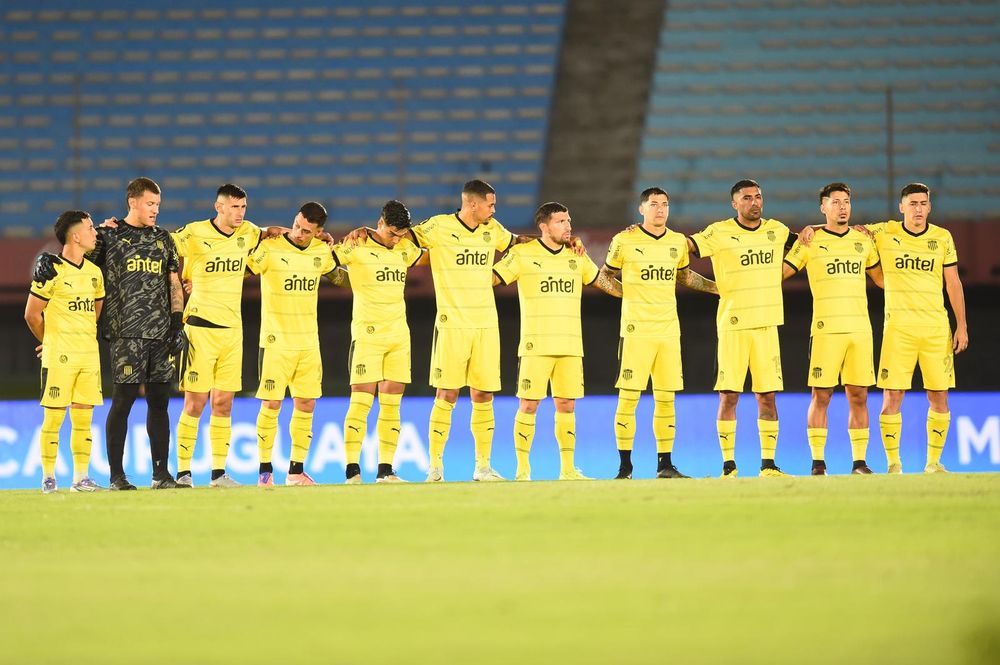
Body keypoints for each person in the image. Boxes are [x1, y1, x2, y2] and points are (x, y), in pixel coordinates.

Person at [343, 179, 582, 482]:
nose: (494, 210)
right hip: (451, 324)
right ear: (472, 203)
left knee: (484, 395)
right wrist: (366, 231)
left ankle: (482, 466)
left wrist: (560, 239)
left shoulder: (492, 230)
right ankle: (435, 466)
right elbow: (399, 235)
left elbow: (518, 241)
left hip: (486, 325)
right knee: (447, 393)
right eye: (490, 204)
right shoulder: (439, 227)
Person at [33, 177, 187, 490]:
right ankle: (117, 476)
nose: (155, 210)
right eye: (150, 203)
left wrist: (177, 321)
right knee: (124, 399)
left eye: (158, 204)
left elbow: (173, 281)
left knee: (160, 401)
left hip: (160, 334)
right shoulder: (107, 237)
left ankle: (161, 475)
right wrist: (43, 258)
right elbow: (70, 257)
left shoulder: (164, 239)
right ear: (133, 202)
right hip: (125, 333)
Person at [803, 184, 968, 473]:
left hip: (936, 328)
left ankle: (933, 463)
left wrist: (961, 325)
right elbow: (843, 227)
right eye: (912, 203)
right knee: (892, 396)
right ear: (901, 207)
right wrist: (813, 227)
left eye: (923, 203)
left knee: (939, 395)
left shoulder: (942, 238)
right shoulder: (883, 232)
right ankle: (894, 464)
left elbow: (953, 282)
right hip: (898, 329)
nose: (918, 209)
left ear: (930, 207)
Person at [492, 202, 622, 481]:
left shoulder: (577, 256)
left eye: (569, 220)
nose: (568, 226)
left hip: (571, 346)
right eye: (561, 221)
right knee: (528, 405)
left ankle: (567, 469)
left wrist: (637, 293)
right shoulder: (523, 254)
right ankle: (523, 470)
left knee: (567, 405)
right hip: (535, 345)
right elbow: (491, 278)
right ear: (544, 226)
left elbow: (602, 281)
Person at [599, 188, 717, 480]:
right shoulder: (624, 240)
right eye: (654, 205)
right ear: (641, 209)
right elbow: (604, 276)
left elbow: (685, 276)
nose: (660, 210)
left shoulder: (677, 242)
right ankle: (625, 467)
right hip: (636, 331)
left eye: (664, 204)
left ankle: (665, 464)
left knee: (666, 399)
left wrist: (717, 287)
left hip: (668, 331)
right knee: (629, 399)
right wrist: (627, 295)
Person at [687, 179, 796, 478]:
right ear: (735, 204)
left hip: (766, 324)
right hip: (733, 327)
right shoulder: (719, 232)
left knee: (767, 396)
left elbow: (807, 245)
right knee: (729, 396)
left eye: (758, 196)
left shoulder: (778, 230)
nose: (754, 202)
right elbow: (686, 247)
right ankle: (728, 466)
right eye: (747, 198)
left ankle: (769, 465)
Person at [783, 183, 883, 475]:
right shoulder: (810, 240)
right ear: (823, 207)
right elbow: (783, 272)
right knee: (821, 395)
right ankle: (817, 463)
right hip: (826, 330)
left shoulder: (863, 241)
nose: (842, 206)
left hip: (860, 330)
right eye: (835, 202)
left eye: (846, 201)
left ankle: (860, 462)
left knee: (859, 396)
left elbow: (882, 280)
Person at [170, 184, 263, 488]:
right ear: (218, 207)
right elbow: (164, 245)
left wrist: (311, 234)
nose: (240, 213)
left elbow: (271, 233)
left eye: (244, 207)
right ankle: (183, 472)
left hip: (232, 332)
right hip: (200, 329)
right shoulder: (195, 233)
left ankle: (218, 474)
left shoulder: (248, 232)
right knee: (195, 403)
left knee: (223, 403)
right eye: (234, 207)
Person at [248, 202, 345, 486]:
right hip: (275, 341)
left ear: (319, 232)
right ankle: (265, 472)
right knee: (271, 403)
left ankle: (295, 472)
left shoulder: (321, 252)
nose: (300, 234)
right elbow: (240, 270)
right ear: (295, 219)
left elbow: (339, 277)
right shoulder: (271, 247)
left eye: (308, 231)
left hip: (308, 343)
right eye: (298, 226)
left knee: (306, 403)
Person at [332, 200, 425, 484]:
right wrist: (345, 279)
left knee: (391, 405)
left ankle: (385, 470)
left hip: (398, 335)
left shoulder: (406, 249)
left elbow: (434, 255)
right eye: (392, 233)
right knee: (361, 402)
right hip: (368, 335)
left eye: (401, 234)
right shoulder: (356, 245)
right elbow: (324, 261)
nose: (396, 239)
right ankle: (352, 471)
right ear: (380, 222)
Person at [25, 211, 106, 493]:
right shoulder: (51, 271)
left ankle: (81, 478)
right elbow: (32, 315)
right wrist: (50, 341)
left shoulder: (95, 273)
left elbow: (94, 313)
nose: (95, 233)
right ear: (75, 236)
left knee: (84, 419)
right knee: (54, 417)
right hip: (59, 355)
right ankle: (48, 478)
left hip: (88, 355)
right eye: (90, 228)